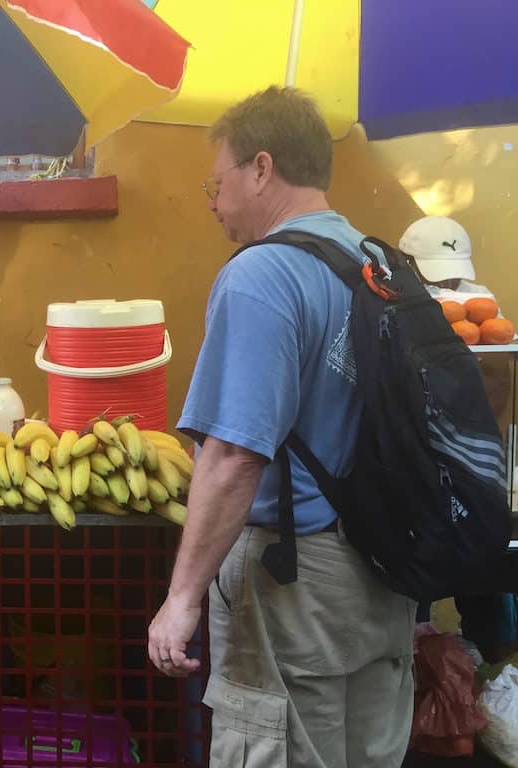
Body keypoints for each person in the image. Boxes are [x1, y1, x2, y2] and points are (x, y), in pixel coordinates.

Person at [147, 86, 416, 766]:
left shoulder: (263, 275)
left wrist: (181, 598)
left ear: (261, 168)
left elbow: (236, 455)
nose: (214, 203)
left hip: (297, 583)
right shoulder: (381, 264)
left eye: (218, 183)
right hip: (386, 573)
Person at [400, 215, 518, 665]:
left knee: (485, 569)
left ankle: (492, 666)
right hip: (420, 468)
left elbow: (498, 389)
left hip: (471, 461)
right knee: (419, 570)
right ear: (407, 262)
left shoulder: (481, 305)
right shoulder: (399, 304)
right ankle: (416, 660)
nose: (446, 279)